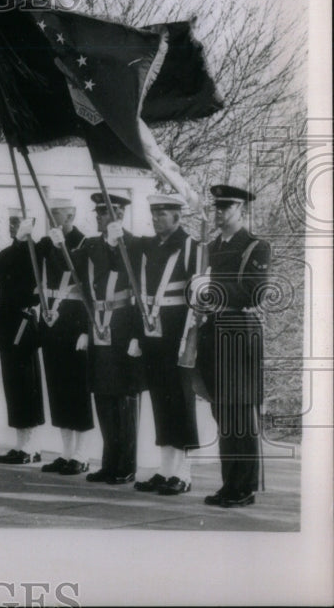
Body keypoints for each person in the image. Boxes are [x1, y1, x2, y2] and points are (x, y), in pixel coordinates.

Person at [53, 193, 143, 485]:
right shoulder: (91, 245)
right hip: (97, 326)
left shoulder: (135, 244)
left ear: (120, 215)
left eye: (107, 213)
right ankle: (109, 462)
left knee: (124, 400)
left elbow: (137, 288)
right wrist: (59, 242)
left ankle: (126, 465)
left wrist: (136, 336)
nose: (101, 217)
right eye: (99, 213)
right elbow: (72, 272)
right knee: (104, 397)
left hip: (122, 326)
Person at [195, 185, 271, 508]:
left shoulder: (255, 246)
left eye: (226, 207)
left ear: (241, 209)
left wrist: (210, 290)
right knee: (223, 411)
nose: (220, 212)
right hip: (214, 332)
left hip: (240, 332)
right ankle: (229, 484)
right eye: (217, 207)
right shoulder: (210, 247)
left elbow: (254, 292)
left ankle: (244, 487)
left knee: (240, 412)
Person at [131, 194, 201, 495]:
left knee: (181, 401)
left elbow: (198, 296)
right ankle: (165, 469)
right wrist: (137, 334)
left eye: (163, 214)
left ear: (177, 216)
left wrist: (189, 339)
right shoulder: (150, 246)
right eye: (154, 214)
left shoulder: (190, 246)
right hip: (153, 333)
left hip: (178, 333)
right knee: (161, 400)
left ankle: (183, 473)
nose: (157, 219)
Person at [35, 197, 94, 476]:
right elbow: (29, 261)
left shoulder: (83, 243)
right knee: (58, 389)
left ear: (70, 215)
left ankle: (81, 455)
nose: (51, 220)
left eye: (55, 214)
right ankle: (66, 453)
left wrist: (86, 329)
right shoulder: (47, 243)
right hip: (51, 322)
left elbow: (89, 290)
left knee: (77, 390)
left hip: (73, 322)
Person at [0, 209, 45, 465]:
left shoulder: (35, 252)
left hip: (24, 323)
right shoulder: (4, 254)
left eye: (19, 222)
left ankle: (30, 445)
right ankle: (21, 443)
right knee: (13, 386)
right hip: (6, 324)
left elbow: (32, 274)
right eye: (11, 222)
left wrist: (26, 243)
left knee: (27, 386)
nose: (13, 226)